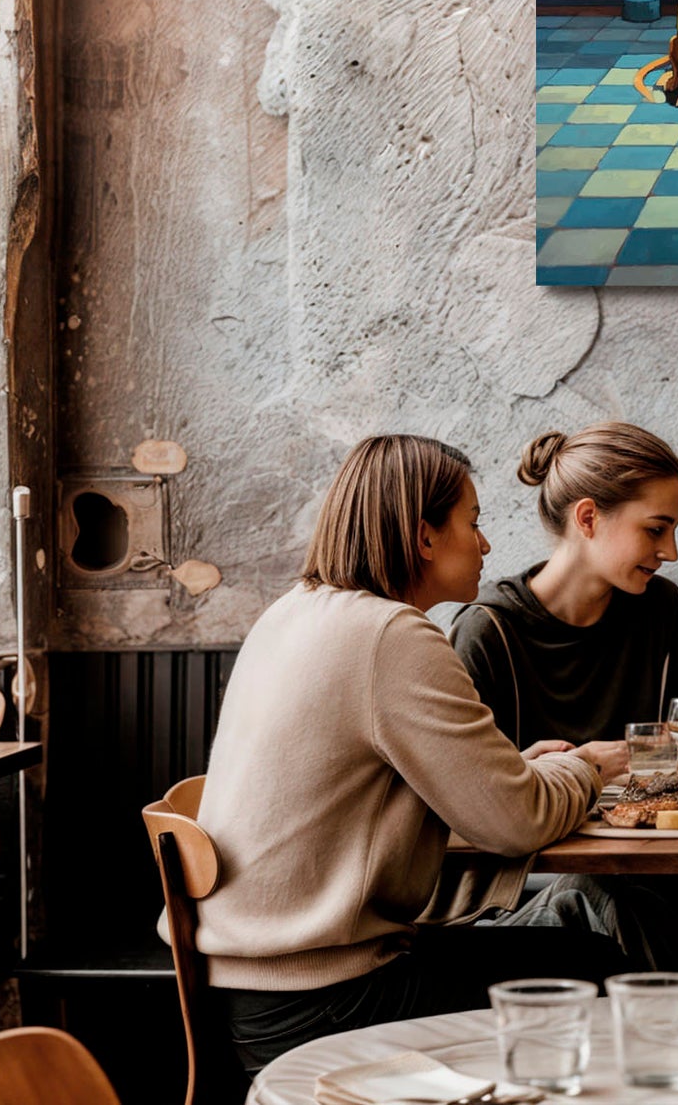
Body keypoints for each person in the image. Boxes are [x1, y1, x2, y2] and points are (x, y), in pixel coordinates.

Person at [192, 434, 631, 1072]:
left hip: (251, 992)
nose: (485, 543)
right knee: (599, 970)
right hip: (324, 1002)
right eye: (472, 523)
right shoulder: (391, 634)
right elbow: (515, 823)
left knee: (570, 946)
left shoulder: (293, 613)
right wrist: (587, 767)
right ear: (423, 536)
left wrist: (520, 772)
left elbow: (422, 790)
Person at [450, 423, 678, 748]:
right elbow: (468, 784)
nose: (671, 553)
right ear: (588, 518)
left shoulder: (662, 608)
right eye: (655, 529)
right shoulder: (488, 631)